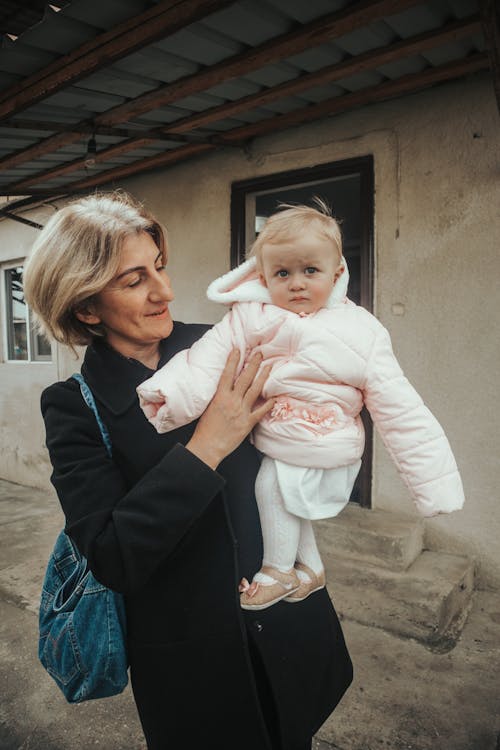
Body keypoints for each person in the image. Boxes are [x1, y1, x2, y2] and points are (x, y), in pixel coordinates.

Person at [23, 192, 353, 750]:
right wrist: (206, 448)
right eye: (133, 281)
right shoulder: (74, 407)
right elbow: (112, 556)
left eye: (159, 267)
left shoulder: (226, 343)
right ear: (85, 307)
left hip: (288, 624)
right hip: (193, 662)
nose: (164, 291)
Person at [137, 202, 465, 611]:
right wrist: (169, 396)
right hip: (276, 432)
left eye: (310, 270)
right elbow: (207, 358)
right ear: (262, 276)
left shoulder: (361, 331)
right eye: (282, 273)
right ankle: (310, 568)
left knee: (271, 487)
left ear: (337, 273)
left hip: (328, 438)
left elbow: (402, 409)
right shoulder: (250, 317)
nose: (296, 283)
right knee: (289, 499)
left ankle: (278, 569)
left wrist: (433, 485)